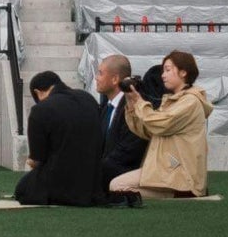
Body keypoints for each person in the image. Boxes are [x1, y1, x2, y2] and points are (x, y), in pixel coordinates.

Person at [111, 49, 213, 200]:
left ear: (183, 72)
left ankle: (182, 194)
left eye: (168, 70)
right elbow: (147, 131)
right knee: (116, 185)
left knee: (117, 186)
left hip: (179, 174)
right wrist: (131, 103)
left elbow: (159, 124)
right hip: (167, 169)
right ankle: (178, 193)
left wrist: (139, 101)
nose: (163, 75)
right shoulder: (174, 100)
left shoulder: (190, 102)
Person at [13, 71, 105, 207]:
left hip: (60, 186)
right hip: (93, 184)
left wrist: (30, 161)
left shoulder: (40, 110)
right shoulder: (88, 99)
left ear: (37, 92)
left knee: (22, 188)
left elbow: (37, 160)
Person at [94, 53, 149, 195]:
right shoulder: (105, 107)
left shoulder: (133, 107)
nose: (96, 78)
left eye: (100, 73)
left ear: (115, 79)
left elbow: (128, 151)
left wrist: (94, 170)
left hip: (123, 173)